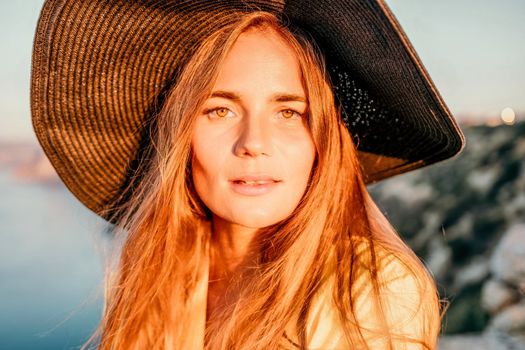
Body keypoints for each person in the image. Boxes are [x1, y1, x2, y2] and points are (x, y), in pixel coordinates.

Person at [30, 1, 465, 349]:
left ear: (324, 139)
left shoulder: (368, 289)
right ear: (180, 135)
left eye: (289, 112)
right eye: (219, 109)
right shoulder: (157, 272)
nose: (253, 142)